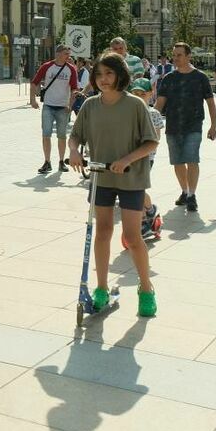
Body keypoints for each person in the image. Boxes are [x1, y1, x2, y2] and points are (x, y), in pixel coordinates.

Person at [69, 53, 159, 318]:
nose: (103, 80)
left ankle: (146, 289)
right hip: (101, 177)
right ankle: (101, 288)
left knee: (132, 236)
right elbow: (75, 136)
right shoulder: (90, 105)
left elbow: (151, 142)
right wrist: (74, 151)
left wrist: (127, 159)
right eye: (98, 75)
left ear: (120, 75)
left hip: (131, 177)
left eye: (109, 74)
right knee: (103, 232)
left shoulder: (134, 105)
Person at [154, 42, 216, 213]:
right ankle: (184, 190)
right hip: (173, 125)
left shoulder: (200, 77)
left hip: (194, 125)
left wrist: (214, 126)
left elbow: (211, 103)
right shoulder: (168, 78)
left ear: (189, 56)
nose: (175, 58)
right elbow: (159, 104)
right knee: (177, 162)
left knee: (192, 159)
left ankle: (192, 195)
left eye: (179, 55)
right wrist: (150, 121)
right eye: (174, 55)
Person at [30, 44, 79, 174]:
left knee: (62, 136)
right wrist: (32, 100)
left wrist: (71, 104)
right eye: (66, 54)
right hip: (48, 106)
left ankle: (62, 162)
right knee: (46, 134)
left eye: (69, 54)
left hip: (63, 107)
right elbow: (34, 82)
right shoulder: (46, 67)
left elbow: (74, 88)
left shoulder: (71, 69)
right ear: (57, 54)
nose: (69, 56)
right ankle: (47, 162)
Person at [128, 79, 164, 237]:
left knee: (137, 188)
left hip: (145, 158)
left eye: (142, 94)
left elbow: (156, 138)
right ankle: (149, 209)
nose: (139, 97)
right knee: (132, 188)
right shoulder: (127, 112)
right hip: (128, 157)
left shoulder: (153, 113)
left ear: (150, 94)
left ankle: (144, 217)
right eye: (135, 93)